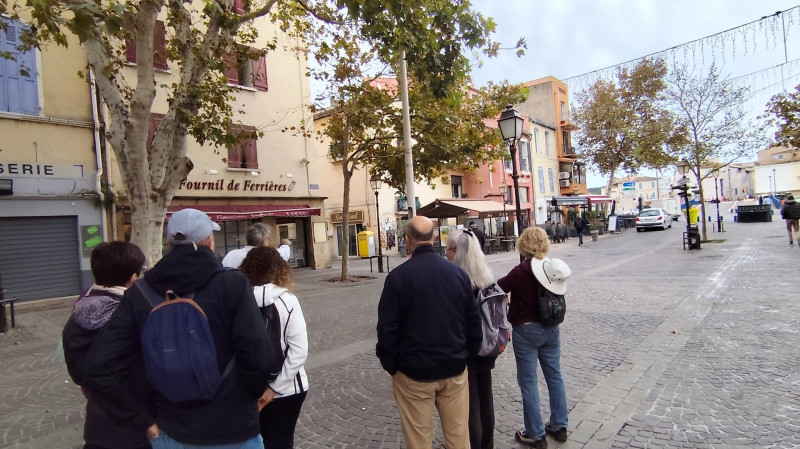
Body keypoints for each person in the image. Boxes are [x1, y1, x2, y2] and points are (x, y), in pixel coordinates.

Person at [84, 208, 272, 449]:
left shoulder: (140, 292)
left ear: (169, 243)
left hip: (169, 428)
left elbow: (99, 366)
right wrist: (250, 396)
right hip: (233, 425)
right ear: (210, 241)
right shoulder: (232, 283)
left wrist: (140, 416)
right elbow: (258, 354)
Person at [376, 216, 482, 449]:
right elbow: (473, 323)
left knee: (419, 439)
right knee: (458, 436)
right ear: (434, 237)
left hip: (413, 372)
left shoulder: (397, 278)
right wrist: (466, 356)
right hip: (453, 367)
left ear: (407, 240)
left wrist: (392, 365)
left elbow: (387, 329)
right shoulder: (457, 274)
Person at [62, 242, 149, 449]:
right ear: (133, 277)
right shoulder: (128, 313)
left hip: (97, 418)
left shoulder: (80, 307)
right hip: (131, 419)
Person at [498, 227, 570, 449]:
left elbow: (499, 287)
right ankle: (559, 425)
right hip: (551, 327)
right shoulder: (552, 267)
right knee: (555, 376)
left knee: (529, 382)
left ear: (523, 244)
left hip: (526, 329)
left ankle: (535, 434)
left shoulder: (520, 271)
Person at [240, 246, 309, 449]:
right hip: (290, 389)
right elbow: (298, 351)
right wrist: (272, 392)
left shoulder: (238, 301)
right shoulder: (288, 301)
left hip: (249, 389)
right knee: (281, 441)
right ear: (279, 269)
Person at [445, 229, 501, 449]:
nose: (446, 254)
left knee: (471, 404)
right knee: (486, 398)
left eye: (448, 249)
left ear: (456, 252)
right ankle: (487, 445)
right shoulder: (486, 277)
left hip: (468, 348)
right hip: (488, 344)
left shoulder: (456, 282)